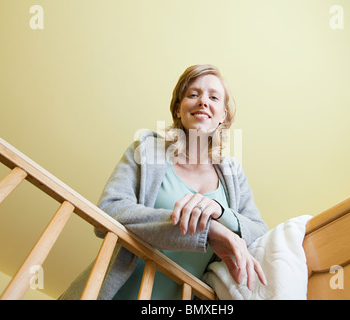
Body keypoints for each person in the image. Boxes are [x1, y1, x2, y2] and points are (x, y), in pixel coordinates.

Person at [60, 64, 268, 300]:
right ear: (178, 109)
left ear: (222, 116)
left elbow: (259, 230)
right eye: (193, 94)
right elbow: (110, 211)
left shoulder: (233, 174)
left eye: (213, 97)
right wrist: (209, 230)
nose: (202, 101)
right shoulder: (147, 150)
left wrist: (221, 213)